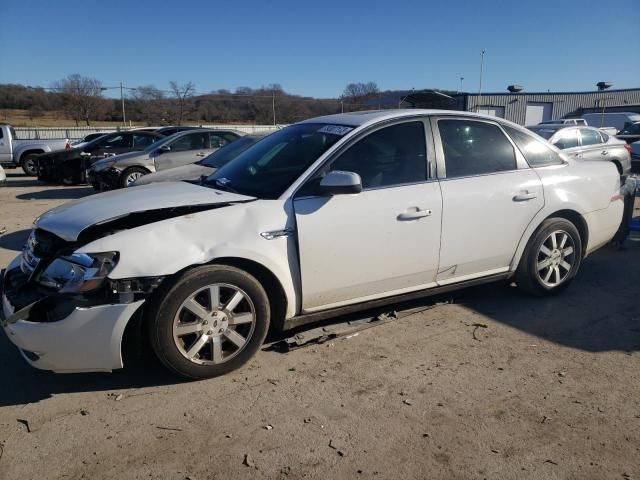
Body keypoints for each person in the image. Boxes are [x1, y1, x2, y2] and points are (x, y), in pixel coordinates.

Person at [611, 176, 638, 249]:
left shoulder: (630, 180)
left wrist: (612, 198)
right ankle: (617, 241)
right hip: (622, 207)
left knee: (622, 221)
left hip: (623, 209)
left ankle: (617, 241)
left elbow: (622, 191)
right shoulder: (629, 181)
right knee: (623, 221)